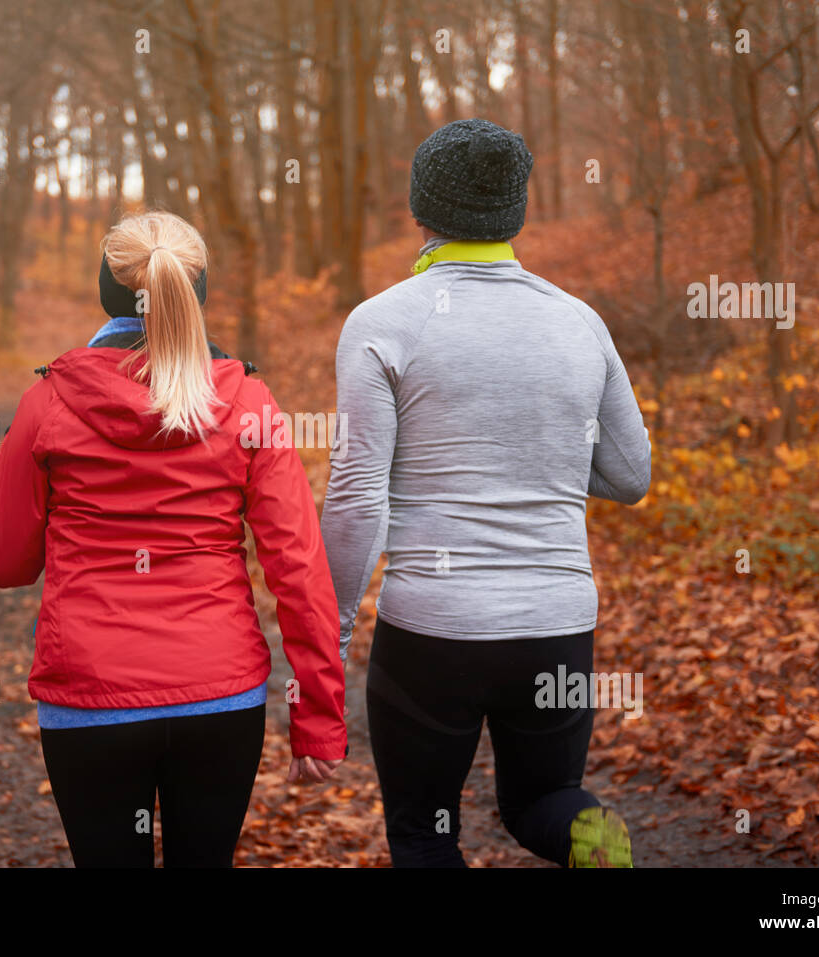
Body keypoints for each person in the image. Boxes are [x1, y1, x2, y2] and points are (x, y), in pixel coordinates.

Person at [321, 119, 651, 868]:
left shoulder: (381, 323)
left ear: (420, 208)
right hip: (556, 618)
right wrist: (545, 469)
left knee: (424, 830)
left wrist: (333, 636)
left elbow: (357, 498)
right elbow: (632, 475)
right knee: (541, 801)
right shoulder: (579, 321)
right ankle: (589, 835)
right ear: (517, 210)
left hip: (432, 629)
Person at [0, 210, 345, 868]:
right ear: (196, 291)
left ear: (105, 289)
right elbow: (299, 568)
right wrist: (318, 713)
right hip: (219, 694)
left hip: (90, 696)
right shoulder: (250, 401)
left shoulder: (49, 403)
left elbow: (2, 562)